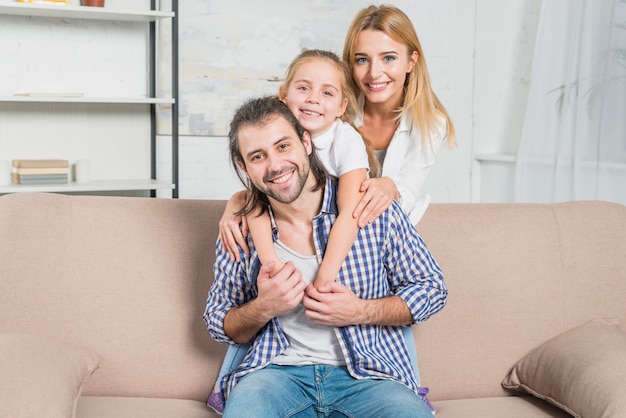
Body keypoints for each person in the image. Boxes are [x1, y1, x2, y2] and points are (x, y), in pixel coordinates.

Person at [203, 96, 447, 417]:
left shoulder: (370, 207)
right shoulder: (240, 228)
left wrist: (360, 311)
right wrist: (264, 307)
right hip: (274, 377)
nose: (275, 165)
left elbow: (432, 289)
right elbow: (219, 323)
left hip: (370, 379)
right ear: (243, 167)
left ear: (306, 142)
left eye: (283, 146)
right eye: (258, 156)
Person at [219, 49, 380, 289]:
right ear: (283, 94)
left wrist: (324, 279)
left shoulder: (345, 140)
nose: (313, 99)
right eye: (303, 88)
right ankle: (273, 269)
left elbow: (350, 214)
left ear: (341, 107)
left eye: (327, 92)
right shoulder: (271, 129)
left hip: (339, 224)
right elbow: (259, 198)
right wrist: (235, 202)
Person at [343, 4, 456, 226]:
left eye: (388, 58)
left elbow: (408, 192)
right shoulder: (337, 111)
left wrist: (390, 187)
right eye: (362, 60)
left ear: (411, 61)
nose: (374, 73)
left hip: (389, 230)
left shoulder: (432, 123)